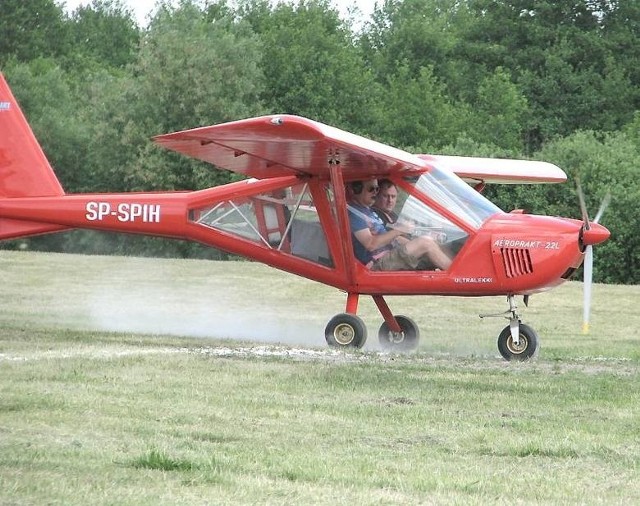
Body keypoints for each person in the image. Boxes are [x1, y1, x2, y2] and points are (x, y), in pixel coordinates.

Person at [346, 179, 452, 271]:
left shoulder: (367, 211)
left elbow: (391, 239)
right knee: (426, 242)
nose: (375, 193)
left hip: (388, 256)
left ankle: (457, 270)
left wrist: (414, 243)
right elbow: (370, 244)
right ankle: (460, 276)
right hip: (376, 264)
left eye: (377, 189)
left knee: (433, 243)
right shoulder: (354, 214)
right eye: (371, 189)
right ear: (356, 189)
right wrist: (399, 230)